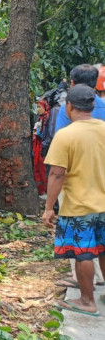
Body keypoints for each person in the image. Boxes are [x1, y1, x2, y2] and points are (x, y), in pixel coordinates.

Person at [43, 85, 105, 316]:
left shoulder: (66, 135)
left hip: (79, 204)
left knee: (84, 253)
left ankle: (88, 300)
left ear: (69, 106)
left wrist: (49, 208)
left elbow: (57, 174)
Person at [55, 64, 105, 131]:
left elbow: (60, 136)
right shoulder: (102, 105)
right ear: (95, 83)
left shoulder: (67, 108)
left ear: (72, 83)